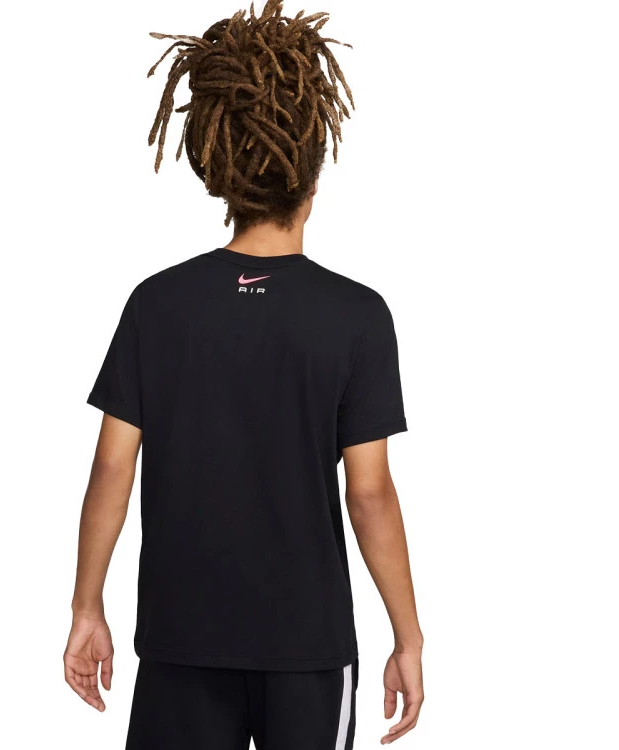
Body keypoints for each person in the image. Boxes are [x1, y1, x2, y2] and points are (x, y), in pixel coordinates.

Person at [63, 2, 424, 748]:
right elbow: (369, 494)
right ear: (313, 176)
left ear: (219, 173)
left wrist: (86, 607)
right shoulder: (356, 316)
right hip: (308, 647)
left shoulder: (157, 304)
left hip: (180, 639)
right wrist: (408, 636)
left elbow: (111, 466)